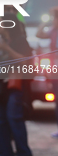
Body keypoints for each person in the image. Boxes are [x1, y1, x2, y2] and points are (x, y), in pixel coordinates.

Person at [0, 12, 32, 156]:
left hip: (14, 85)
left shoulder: (20, 40)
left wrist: (6, 49)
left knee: (14, 118)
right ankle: (5, 152)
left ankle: (23, 152)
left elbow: (25, 60)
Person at [36, 7, 58, 138]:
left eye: (56, 17)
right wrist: (46, 21)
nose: (54, 20)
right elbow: (39, 34)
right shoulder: (53, 31)